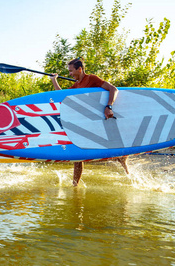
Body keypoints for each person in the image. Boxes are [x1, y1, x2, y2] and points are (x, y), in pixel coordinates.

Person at [51, 58, 129, 186]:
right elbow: (62, 95)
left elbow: (113, 89)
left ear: (79, 69)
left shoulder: (92, 79)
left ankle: (128, 174)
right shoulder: (77, 85)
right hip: (88, 123)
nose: (70, 74)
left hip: (103, 118)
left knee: (119, 154)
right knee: (78, 155)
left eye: (71, 71)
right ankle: (75, 185)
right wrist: (54, 80)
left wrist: (109, 106)